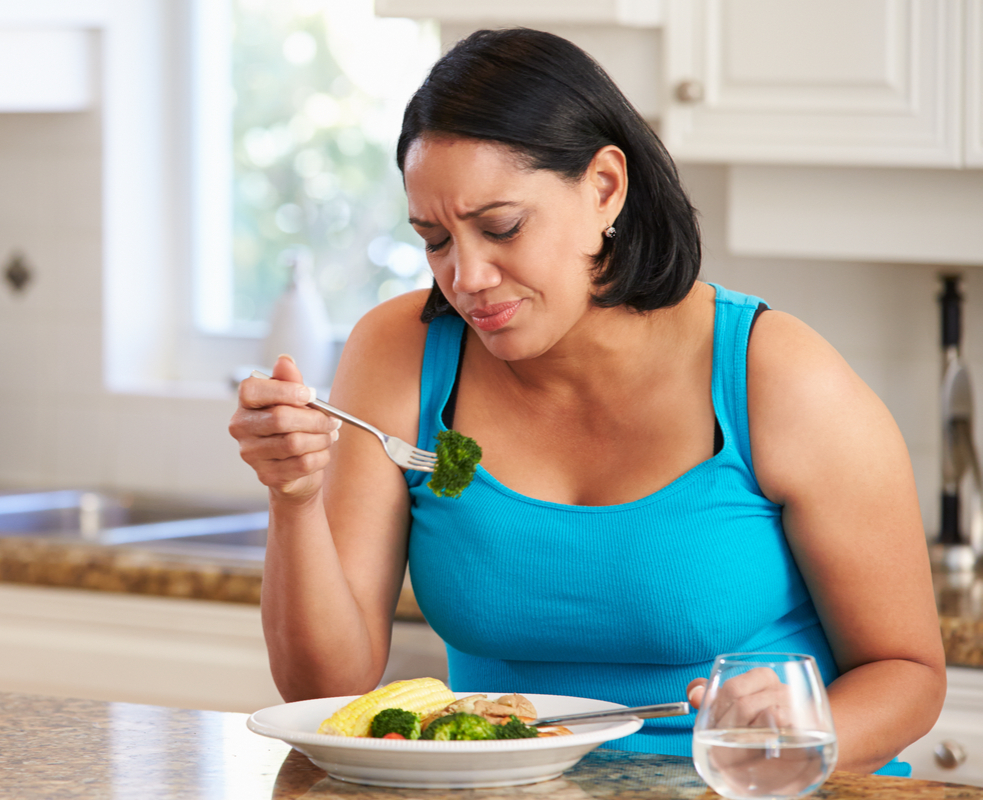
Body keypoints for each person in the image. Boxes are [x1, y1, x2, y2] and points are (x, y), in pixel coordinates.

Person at [228, 28, 944, 774]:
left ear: (605, 187)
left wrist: (797, 735)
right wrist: (295, 496)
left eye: (500, 226)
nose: (464, 275)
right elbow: (326, 691)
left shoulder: (776, 376)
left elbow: (910, 676)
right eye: (434, 239)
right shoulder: (401, 353)